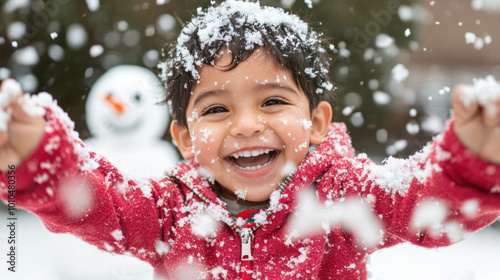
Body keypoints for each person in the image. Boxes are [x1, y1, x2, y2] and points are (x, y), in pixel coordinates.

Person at [1, 1, 499, 279]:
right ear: (184, 138)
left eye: (273, 101)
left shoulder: (346, 200)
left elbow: (423, 206)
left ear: (319, 121)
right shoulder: (167, 212)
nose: (244, 126)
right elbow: (94, 199)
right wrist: (34, 156)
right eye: (216, 109)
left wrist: (472, 161)